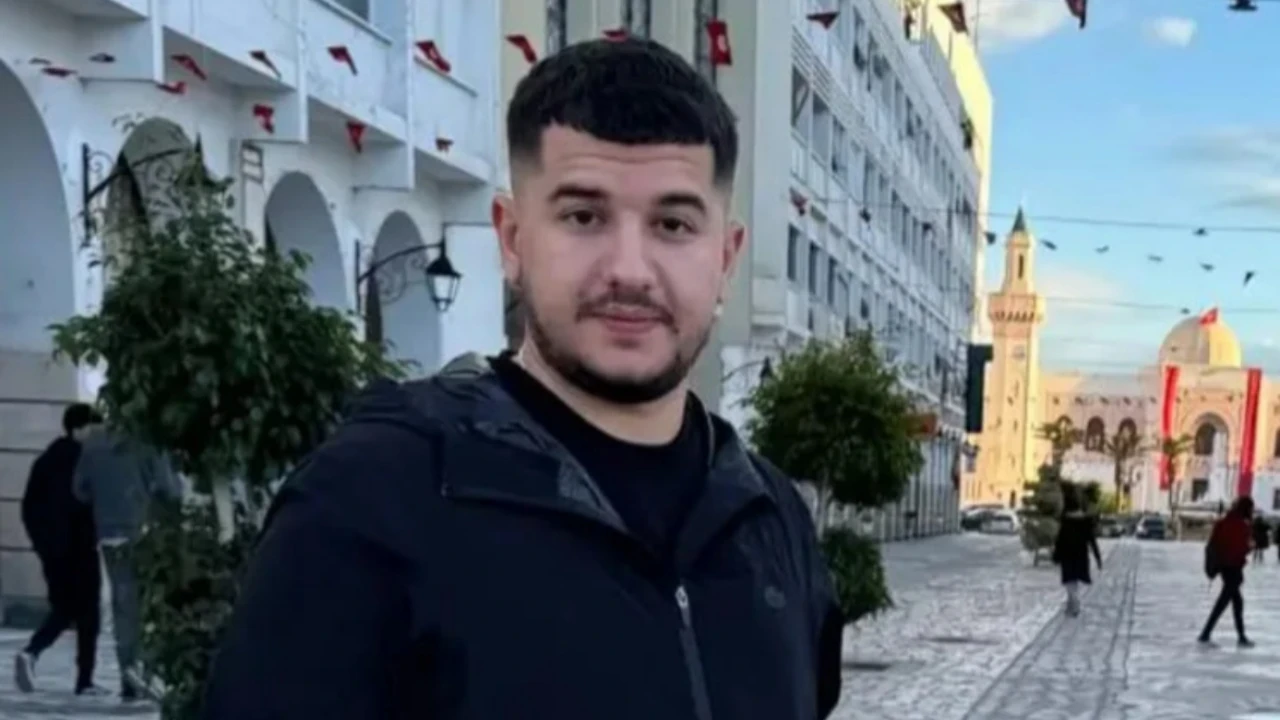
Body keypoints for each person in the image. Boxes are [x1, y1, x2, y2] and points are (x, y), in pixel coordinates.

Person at [202, 38, 843, 720]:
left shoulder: (770, 516)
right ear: (512, 239)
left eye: (673, 224)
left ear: (726, 256)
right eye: (583, 217)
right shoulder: (372, 498)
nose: (629, 269)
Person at [73, 422, 183, 700]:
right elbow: (170, 489)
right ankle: (142, 671)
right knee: (146, 605)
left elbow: (80, 489)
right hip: (143, 533)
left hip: (108, 533)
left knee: (123, 603)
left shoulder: (94, 441)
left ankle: (128, 675)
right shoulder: (148, 439)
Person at [15, 404, 105, 695]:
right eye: (94, 428)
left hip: (52, 551)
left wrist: (43, 545)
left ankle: (33, 652)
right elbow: (88, 502)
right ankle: (83, 679)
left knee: (66, 608)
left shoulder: (45, 460)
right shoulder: (85, 460)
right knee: (88, 614)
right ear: (80, 429)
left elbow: (28, 508)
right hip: (80, 548)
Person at [1199, 496, 1254, 647]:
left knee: (1237, 602)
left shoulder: (1223, 522)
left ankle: (1240, 636)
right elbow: (1240, 548)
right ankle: (1206, 634)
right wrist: (1249, 548)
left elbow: (1215, 543)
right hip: (1233, 568)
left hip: (1223, 567)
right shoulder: (1241, 526)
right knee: (1223, 603)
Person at [1053, 485, 1102, 617]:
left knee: (1069, 581)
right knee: (1074, 580)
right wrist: (1098, 558)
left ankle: (1074, 604)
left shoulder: (1065, 522)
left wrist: (1056, 556)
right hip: (1081, 556)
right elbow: (1092, 541)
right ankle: (1071, 605)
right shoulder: (1085, 522)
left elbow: (1059, 540)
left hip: (1067, 555)